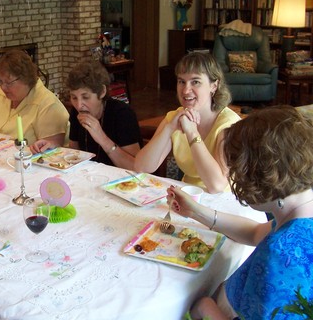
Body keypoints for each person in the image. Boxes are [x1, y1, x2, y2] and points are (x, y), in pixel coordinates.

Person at [167, 105, 313, 320]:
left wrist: (204, 307)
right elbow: (256, 233)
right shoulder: (299, 208)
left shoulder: (280, 253)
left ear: (260, 176)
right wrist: (197, 212)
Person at [134, 52, 239, 193]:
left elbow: (216, 186)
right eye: (181, 81)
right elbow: (141, 167)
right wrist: (169, 128)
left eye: (195, 82)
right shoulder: (174, 117)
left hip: (225, 202)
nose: (185, 90)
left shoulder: (228, 125)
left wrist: (192, 133)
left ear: (214, 86)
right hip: (189, 196)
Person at [31, 61, 140, 169]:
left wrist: (102, 138)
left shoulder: (123, 114)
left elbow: (135, 167)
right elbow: (75, 153)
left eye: (86, 97)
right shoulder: (75, 112)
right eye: (74, 97)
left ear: (102, 92)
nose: (79, 105)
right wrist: (54, 146)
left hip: (121, 181)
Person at [0, 49, 69, 146]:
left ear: (26, 79)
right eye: (0, 81)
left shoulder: (48, 105)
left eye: (8, 82)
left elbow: (51, 151)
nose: (3, 87)